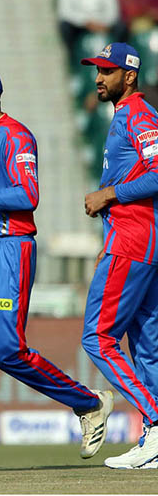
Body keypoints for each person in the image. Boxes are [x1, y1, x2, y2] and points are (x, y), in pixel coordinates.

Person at [0, 65, 114, 470]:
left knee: (7, 351)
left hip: (8, 251)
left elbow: (28, 195)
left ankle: (90, 404)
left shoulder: (16, 135)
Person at [80, 42, 158, 469]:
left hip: (134, 239)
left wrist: (110, 193)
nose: (98, 78)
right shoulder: (123, 117)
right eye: (96, 70)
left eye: (107, 71)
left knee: (98, 337)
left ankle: (156, 421)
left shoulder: (140, 115)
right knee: (146, 345)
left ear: (129, 76)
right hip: (135, 240)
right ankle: (154, 441)